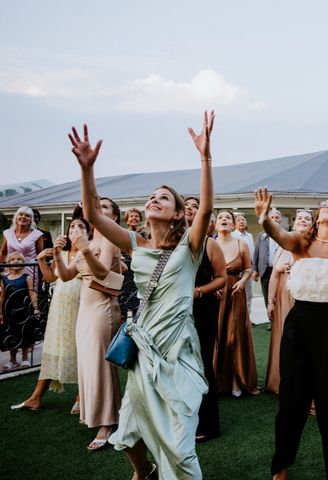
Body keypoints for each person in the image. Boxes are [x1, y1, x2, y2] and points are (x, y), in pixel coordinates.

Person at [69, 112, 214, 479]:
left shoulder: (189, 248)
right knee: (128, 435)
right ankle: (145, 471)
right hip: (143, 351)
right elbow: (92, 214)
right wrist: (87, 170)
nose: (154, 200)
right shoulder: (135, 243)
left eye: (163, 197)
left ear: (179, 212)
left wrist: (205, 157)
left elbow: (207, 209)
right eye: (151, 196)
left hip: (176, 354)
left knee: (180, 450)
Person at [255, 188, 328, 480]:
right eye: (325, 204)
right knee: (292, 401)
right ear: (317, 213)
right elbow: (277, 234)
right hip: (299, 322)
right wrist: (264, 218)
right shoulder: (302, 241)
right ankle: (281, 465)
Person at [54, 197, 122, 450]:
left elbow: (103, 271)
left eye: (105, 208)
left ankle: (108, 421)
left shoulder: (110, 239)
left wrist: (82, 249)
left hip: (103, 308)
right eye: (98, 206)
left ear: (113, 218)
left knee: (100, 365)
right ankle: (96, 412)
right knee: (88, 362)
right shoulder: (90, 241)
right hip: (85, 308)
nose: (99, 210)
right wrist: (57, 254)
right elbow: (66, 275)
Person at [10, 216, 86, 411]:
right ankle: (35, 398)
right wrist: (41, 259)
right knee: (53, 347)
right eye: (72, 227)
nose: (75, 229)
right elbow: (51, 277)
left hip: (80, 304)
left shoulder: (89, 252)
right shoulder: (64, 252)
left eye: (81, 227)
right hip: (59, 306)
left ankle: (81, 396)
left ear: (87, 233)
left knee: (79, 349)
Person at [184, 196, 227, 442]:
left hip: (202, 307)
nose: (190, 209)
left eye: (195, 207)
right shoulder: (171, 242)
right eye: (186, 206)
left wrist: (199, 291)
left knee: (201, 363)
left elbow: (222, 278)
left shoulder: (210, 244)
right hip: (176, 310)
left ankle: (208, 423)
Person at [264, 209, 313, 394]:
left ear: (312, 224)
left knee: (302, 340)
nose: (302, 220)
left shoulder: (313, 246)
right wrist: (270, 301)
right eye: (299, 218)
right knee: (283, 336)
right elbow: (274, 276)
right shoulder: (283, 245)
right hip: (284, 296)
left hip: (305, 297)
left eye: (307, 218)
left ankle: (301, 384)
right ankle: (280, 381)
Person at [214, 209, 260, 398]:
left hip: (235, 292)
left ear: (233, 225)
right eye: (220, 218)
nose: (224, 220)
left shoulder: (242, 244)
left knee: (235, 336)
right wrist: (211, 286)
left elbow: (248, 269)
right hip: (215, 296)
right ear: (216, 225)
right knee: (218, 335)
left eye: (228, 218)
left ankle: (237, 380)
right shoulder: (210, 244)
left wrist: (242, 281)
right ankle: (218, 382)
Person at [1, 251, 40, 369]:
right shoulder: (4, 279)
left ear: (23, 263)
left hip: (24, 310)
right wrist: (0, 312)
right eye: (13, 259)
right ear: (8, 263)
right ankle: (12, 360)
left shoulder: (27, 277)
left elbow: (32, 293)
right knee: (11, 334)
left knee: (25, 333)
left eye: (19, 259)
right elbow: (2, 296)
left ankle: (25, 358)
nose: (16, 261)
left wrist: (35, 308)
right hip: (9, 311)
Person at [1, 206, 45, 281]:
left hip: (29, 271)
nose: (23, 217)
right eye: (21, 214)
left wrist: (45, 273)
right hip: (10, 270)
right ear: (16, 217)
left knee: (29, 292)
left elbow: (41, 256)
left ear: (31, 220)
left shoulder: (37, 234)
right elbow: (3, 252)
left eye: (27, 216)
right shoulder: (8, 233)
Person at [252, 209, 282, 307]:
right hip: (265, 271)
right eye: (272, 217)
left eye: (277, 217)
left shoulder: (285, 235)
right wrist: (254, 270)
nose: (274, 219)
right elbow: (256, 254)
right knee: (267, 299)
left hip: (280, 272)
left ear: (280, 220)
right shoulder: (261, 235)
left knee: (279, 297)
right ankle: (271, 318)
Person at [232, 212, 255, 314]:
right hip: (237, 271)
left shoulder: (249, 236)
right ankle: (238, 316)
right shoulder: (232, 235)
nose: (241, 221)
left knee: (249, 294)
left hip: (248, 270)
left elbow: (253, 253)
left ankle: (248, 318)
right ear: (234, 224)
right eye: (239, 220)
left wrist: (254, 269)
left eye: (243, 220)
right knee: (237, 294)